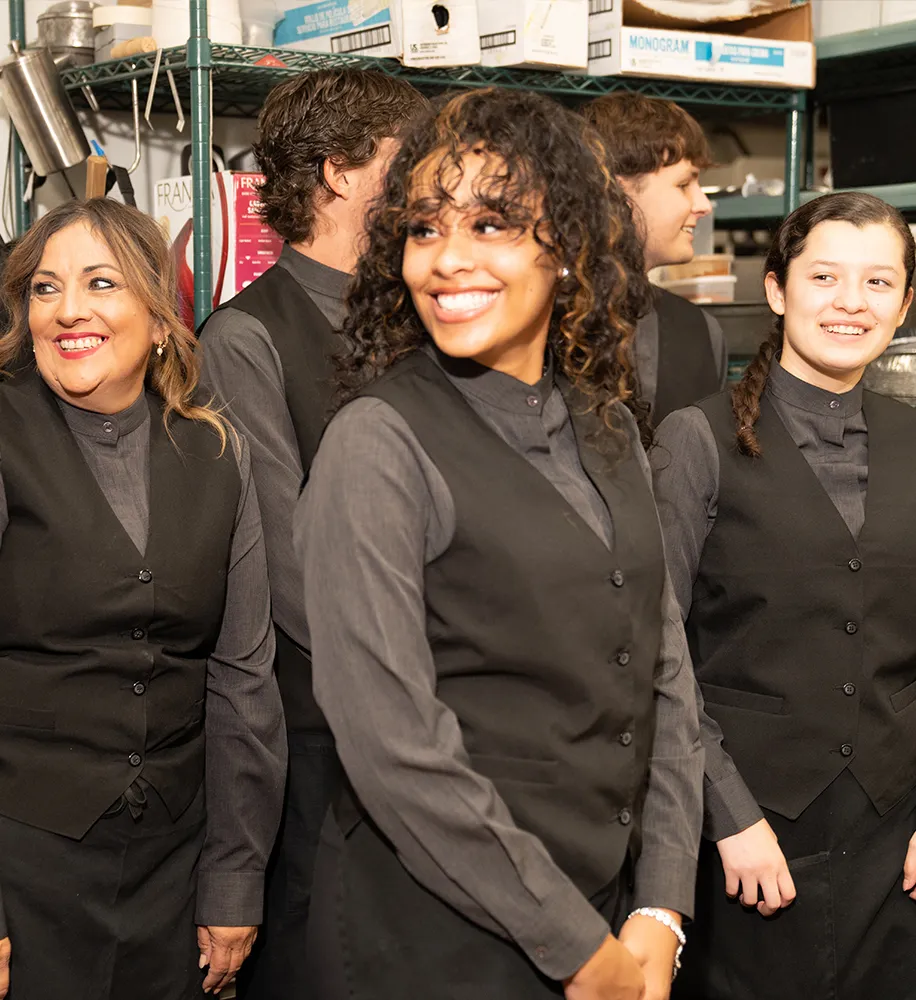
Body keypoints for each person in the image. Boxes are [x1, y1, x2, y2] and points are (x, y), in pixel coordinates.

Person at [296, 87, 703, 1000]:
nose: (447, 261)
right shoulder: (378, 441)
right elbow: (393, 744)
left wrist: (662, 906)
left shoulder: (607, 426)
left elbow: (664, 669)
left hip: (611, 915)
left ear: (567, 248)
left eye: (492, 224)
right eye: (424, 229)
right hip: (436, 942)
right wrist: (578, 948)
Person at [0, 198, 286, 1000]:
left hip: (173, 867)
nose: (69, 311)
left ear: (161, 319)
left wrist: (235, 876)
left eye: (101, 283)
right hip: (23, 864)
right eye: (46, 289)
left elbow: (243, 681)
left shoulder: (218, 450)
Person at [650, 192, 916, 999]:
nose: (850, 303)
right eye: (826, 276)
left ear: (905, 304)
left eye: (878, 284)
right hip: (750, 838)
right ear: (776, 289)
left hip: (895, 838)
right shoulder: (697, 440)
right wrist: (726, 817)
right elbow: (654, 650)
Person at [197, 67, 426, 1000]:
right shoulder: (246, 339)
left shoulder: (423, 316)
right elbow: (289, 565)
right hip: (323, 733)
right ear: (338, 172)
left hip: (432, 717)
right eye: (407, 165)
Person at [583, 93, 727, 424]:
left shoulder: (700, 333)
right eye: (684, 184)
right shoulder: (544, 326)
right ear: (616, 191)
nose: (703, 203)